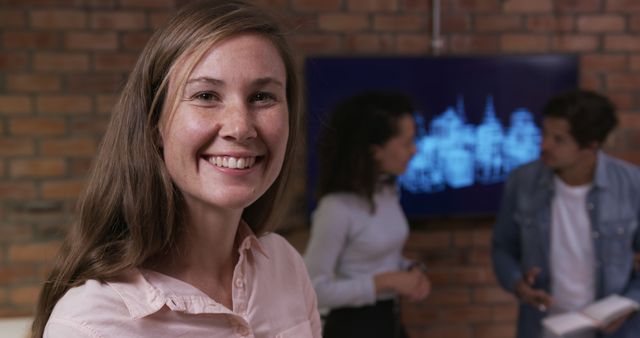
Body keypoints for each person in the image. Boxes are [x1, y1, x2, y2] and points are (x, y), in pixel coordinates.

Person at [30, 1, 321, 337]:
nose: (240, 127)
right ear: (155, 123)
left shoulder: (284, 265)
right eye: (206, 95)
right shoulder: (91, 325)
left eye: (262, 97)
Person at [492, 89, 640, 338]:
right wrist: (519, 284)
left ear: (590, 146)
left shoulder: (631, 184)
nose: (544, 144)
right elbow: (502, 248)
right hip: (544, 327)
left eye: (558, 139)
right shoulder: (522, 181)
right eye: (545, 133)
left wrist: (629, 304)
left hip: (617, 331)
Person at [304, 91, 431, 338]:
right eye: (406, 143)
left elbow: (378, 256)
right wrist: (384, 282)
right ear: (375, 152)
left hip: (390, 321)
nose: (414, 150)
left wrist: (412, 269)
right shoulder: (336, 208)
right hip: (352, 327)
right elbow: (313, 290)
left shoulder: (387, 191)